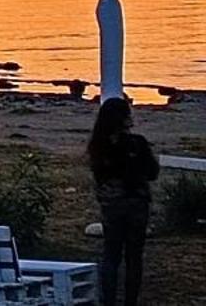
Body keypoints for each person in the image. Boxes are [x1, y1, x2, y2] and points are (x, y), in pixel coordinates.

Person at [89, 97, 159, 306]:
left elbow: (99, 176)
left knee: (111, 253)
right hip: (137, 203)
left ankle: (108, 300)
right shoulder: (137, 143)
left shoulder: (98, 146)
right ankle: (130, 301)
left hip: (112, 204)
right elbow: (153, 172)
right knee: (134, 256)